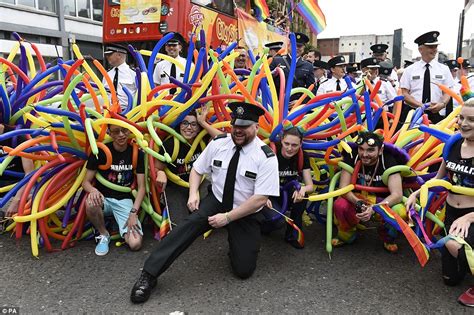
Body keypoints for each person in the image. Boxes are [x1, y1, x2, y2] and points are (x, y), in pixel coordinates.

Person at [130, 102, 280, 304]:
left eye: (244, 127)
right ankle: (148, 275)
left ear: (255, 127)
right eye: (236, 125)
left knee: (243, 270)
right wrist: (193, 194)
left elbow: (260, 199)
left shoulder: (266, 157)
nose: (238, 131)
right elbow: (197, 170)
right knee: (186, 227)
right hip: (217, 202)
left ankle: (238, 242)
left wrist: (227, 218)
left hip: (245, 211)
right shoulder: (219, 143)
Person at [406, 98, 474, 307]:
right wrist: (417, 193)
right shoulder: (453, 143)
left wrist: (469, 217)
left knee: (457, 246)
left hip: (471, 216)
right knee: (450, 280)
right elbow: (441, 178)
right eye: (461, 118)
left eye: (471, 120)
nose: (464, 123)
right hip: (452, 213)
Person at [331, 131, 404, 252]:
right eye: (361, 149)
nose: (364, 154)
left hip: (381, 201)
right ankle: (347, 235)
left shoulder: (388, 160)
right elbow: (343, 188)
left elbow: (397, 195)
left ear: (380, 150)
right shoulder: (352, 155)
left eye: (370, 150)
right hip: (357, 198)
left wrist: (375, 208)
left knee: (400, 211)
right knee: (339, 205)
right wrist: (358, 202)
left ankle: (387, 237)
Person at [82, 123, 146, 256]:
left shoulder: (137, 154)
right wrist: (93, 191)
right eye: (116, 132)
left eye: (124, 130)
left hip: (124, 200)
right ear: (109, 133)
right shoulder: (100, 152)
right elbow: (85, 182)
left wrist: (133, 213)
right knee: (90, 203)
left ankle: (117, 224)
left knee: (135, 244)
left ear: (129, 131)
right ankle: (103, 233)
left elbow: (141, 188)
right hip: (103, 198)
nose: (121, 135)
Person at [154, 107, 222, 224]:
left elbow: (225, 139)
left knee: (208, 219)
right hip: (175, 187)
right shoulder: (170, 144)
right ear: (179, 125)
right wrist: (160, 173)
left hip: (200, 184)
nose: (189, 127)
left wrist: (203, 122)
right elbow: (156, 167)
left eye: (194, 124)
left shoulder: (203, 140)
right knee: (179, 225)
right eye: (185, 123)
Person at [261, 126, 314, 249]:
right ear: (281, 140)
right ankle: (257, 224)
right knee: (276, 222)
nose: (290, 148)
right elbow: (254, 181)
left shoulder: (302, 156)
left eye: (295, 145)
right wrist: (262, 197)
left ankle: (293, 235)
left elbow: (310, 185)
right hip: (268, 193)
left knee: (303, 197)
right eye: (287, 144)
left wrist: (303, 189)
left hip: (286, 193)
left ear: (301, 144)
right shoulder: (271, 153)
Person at [399, 31, 455, 124]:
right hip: (414, 114)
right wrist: (421, 106)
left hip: (437, 114)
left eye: (436, 46)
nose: (434, 50)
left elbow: (448, 91)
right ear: (421, 49)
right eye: (430, 47)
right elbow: (404, 93)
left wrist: (442, 104)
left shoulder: (444, 69)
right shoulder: (409, 70)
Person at [0, 122, 35, 228]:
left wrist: (17, 200)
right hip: (2, 184)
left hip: (19, 183)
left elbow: (29, 173)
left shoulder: (18, 136)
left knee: (32, 196)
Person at [270, 33, 315, 102]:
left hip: (297, 107)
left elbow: (312, 89)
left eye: (299, 46)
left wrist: (300, 102)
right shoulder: (277, 60)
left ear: (303, 48)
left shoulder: (308, 66)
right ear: (288, 46)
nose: (296, 48)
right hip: (278, 104)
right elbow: (266, 82)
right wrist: (273, 74)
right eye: (294, 45)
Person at [103, 44, 137, 111]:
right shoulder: (107, 74)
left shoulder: (133, 73)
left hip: (128, 111)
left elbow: (139, 93)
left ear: (119, 55)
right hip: (110, 111)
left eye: (110, 54)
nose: (107, 57)